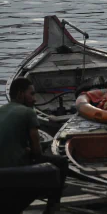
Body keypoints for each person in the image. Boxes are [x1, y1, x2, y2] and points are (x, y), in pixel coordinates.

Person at [1, 78, 68, 213]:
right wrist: (30, 150)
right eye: (31, 94)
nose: (35, 99)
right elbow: (37, 152)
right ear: (20, 94)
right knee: (61, 162)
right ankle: (52, 208)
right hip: (12, 172)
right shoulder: (28, 112)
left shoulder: (2, 110)